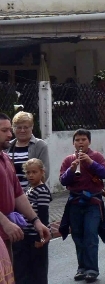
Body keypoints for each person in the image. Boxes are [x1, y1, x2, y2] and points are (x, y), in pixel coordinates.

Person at [58, 129, 105, 283]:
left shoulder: (97, 157)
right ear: (73, 143)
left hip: (93, 202)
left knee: (90, 234)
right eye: (77, 140)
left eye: (84, 139)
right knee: (78, 236)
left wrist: (90, 162)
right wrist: (72, 170)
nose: (80, 143)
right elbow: (63, 180)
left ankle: (92, 269)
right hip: (74, 203)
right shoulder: (68, 160)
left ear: (89, 142)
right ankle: (82, 268)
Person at [0, 114, 50, 266]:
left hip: (7, 235)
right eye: (4, 130)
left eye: (10, 130)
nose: (10, 134)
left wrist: (36, 221)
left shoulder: (6, 158)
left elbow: (18, 194)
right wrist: (5, 222)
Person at [13, 158, 51, 284]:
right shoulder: (29, 189)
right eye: (28, 172)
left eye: (34, 172)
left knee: (38, 270)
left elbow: (43, 216)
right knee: (25, 269)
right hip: (26, 236)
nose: (30, 175)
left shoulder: (42, 191)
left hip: (37, 236)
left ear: (42, 172)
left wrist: (40, 239)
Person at [8, 112, 49, 190]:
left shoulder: (40, 145)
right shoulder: (7, 147)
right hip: (9, 194)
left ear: (32, 127)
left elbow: (44, 173)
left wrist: (25, 194)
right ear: (13, 128)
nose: (22, 130)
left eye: (26, 127)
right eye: (19, 127)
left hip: (32, 195)